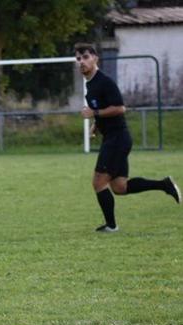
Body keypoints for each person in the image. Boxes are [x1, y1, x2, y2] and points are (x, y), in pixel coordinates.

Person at [76, 43, 180, 232]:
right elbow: (104, 109)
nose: (81, 62)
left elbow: (120, 108)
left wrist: (95, 113)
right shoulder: (91, 86)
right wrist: (96, 125)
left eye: (85, 57)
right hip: (114, 139)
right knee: (120, 187)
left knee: (98, 182)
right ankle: (164, 184)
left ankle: (111, 226)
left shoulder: (104, 82)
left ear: (95, 58)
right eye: (78, 59)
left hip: (117, 139)